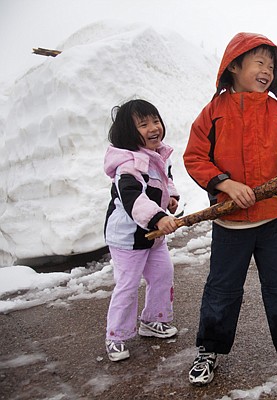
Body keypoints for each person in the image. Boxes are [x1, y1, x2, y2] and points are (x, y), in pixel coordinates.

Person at [183, 32, 277, 386]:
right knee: (221, 291)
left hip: (272, 221)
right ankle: (209, 351)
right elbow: (195, 157)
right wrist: (224, 182)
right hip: (230, 225)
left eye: (272, 65)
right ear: (234, 66)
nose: (267, 70)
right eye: (259, 62)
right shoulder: (213, 113)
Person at [103, 99, 180, 362]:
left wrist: (171, 197)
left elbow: (165, 181)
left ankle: (153, 320)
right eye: (143, 124)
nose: (153, 128)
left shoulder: (158, 154)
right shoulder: (128, 165)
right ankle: (116, 335)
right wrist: (158, 216)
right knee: (128, 284)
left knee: (163, 274)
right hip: (127, 238)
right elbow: (133, 197)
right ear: (128, 132)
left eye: (155, 121)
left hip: (153, 236)